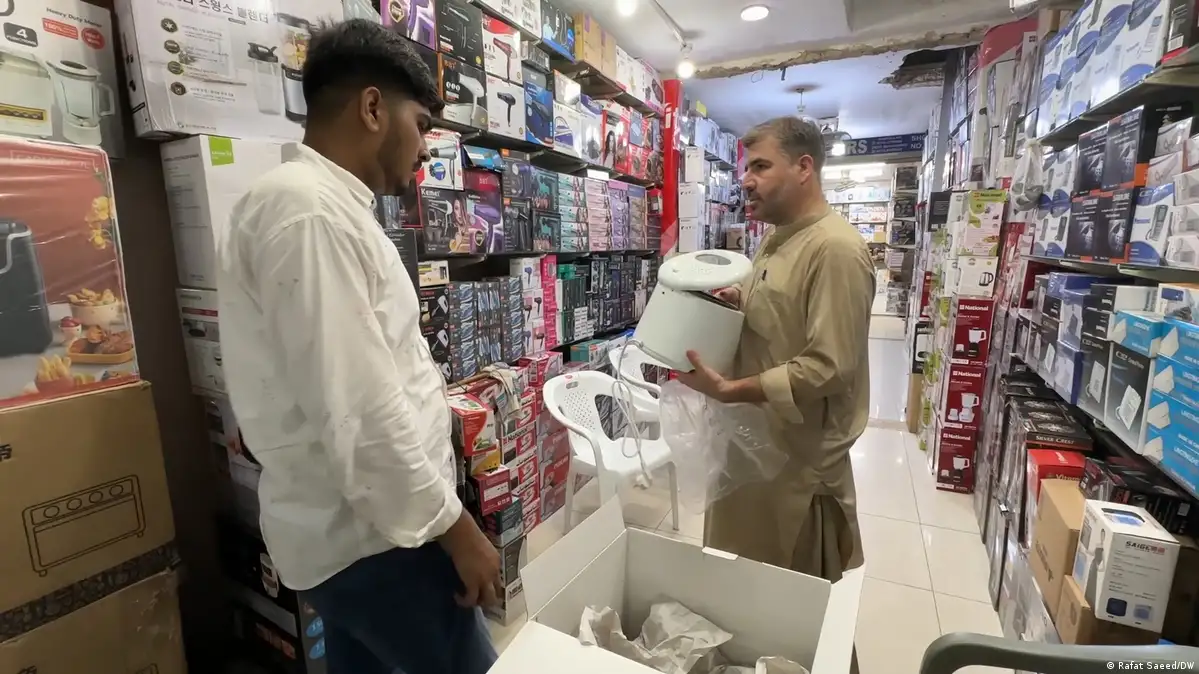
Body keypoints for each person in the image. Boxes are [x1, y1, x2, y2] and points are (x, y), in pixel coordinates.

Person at [216, 19, 499, 674]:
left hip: (360, 531)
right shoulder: (308, 213)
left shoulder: (321, 207)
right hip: (379, 539)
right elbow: (360, 410)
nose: (425, 148)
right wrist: (459, 532)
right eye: (422, 124)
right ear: (373, 108)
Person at [677, 116, 873, 584]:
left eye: (761, 166)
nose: (746, 180)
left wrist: (730, 391)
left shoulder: (836, 250)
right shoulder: (775, 236)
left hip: (794, 469)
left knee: (786, 601)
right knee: (738, 585)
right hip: (752, 452)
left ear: (804, 167)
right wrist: (739, 300)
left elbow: (829, 367)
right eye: (747, 168)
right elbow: (782, 313)